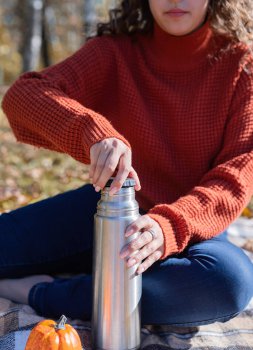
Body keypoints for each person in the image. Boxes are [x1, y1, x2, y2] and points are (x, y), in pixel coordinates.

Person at [1, 0, 253, 326]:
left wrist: (168, 227)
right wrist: (93, 134)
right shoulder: (115, 52)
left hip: (192, 228)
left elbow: (236, 175)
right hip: (106, 208)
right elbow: (23, 95)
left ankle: (45, 292)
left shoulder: (241, 66)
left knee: (229, 282)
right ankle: (109, 279)